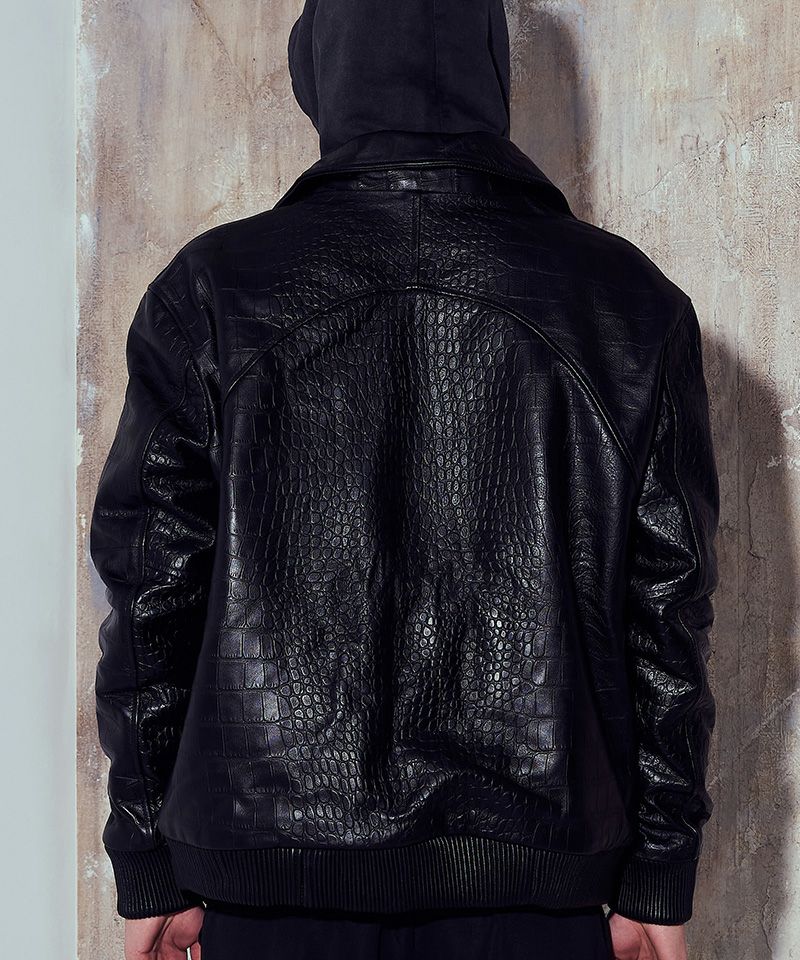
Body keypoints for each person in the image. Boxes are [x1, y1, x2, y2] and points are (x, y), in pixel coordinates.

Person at [89, 1, 721, 958]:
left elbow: (150, 597)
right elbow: (668, 614)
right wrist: (658, 877)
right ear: (490, 73)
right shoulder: (628, 303)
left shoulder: (211, 293)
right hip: (537, 895)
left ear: (321, 69)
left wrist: (146, 857)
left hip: (269, 887)